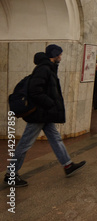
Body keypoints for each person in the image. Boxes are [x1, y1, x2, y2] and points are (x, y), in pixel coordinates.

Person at [4, 45, 86, 187]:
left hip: (45, 114)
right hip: (40, 114)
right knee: (25, 144)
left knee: (56, 139)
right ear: (54, 55)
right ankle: (11, 175)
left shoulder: (48, 68)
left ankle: (68, 165)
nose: (61, 56)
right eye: (59, 54)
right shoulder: (43, 69)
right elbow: (35, 91)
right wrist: (50, 103)